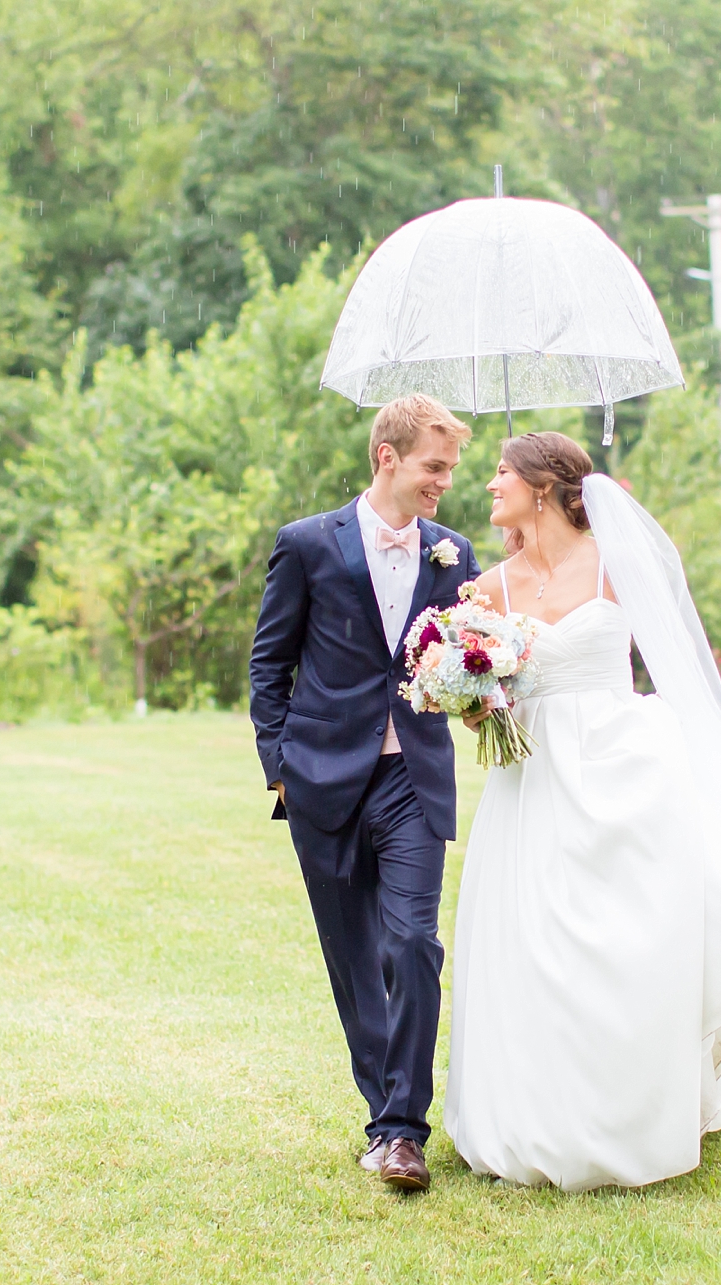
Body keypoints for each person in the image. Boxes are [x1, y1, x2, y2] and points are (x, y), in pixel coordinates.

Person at [444, 432, 721, 1191]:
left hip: (625, 764)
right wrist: (472, 695)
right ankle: (536, 1113)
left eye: (502, 472)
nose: (489, 485)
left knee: (632, 937)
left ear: (543, 486)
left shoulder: (617, 560)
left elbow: (680, 659)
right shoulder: (487, 591)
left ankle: (639, 1107)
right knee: (536, 940)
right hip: (534, 777)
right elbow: (478, 716)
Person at [248, 393, 483, 1192]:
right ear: (388, 457)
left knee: (413, 942)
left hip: (413, 778)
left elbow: (473, 653)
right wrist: (278, 763)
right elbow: (268, 663)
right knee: (355, 962)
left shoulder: (455, 552)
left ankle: (401, 1130)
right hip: (322, 779)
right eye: (433, 467)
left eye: (450, 470)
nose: (444, 484)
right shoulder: (307, 545)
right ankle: (383, 1113)